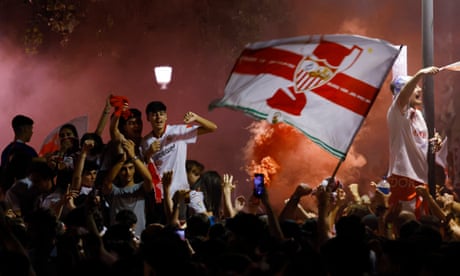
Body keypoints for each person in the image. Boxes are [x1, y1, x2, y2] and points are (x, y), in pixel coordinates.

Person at [387, 66, 442, 216]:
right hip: (403, 176)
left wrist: (435, 143)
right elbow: (404, 95)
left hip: (421, 178)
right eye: (414, 86)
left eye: (418, 86)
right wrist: (420, 73)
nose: (419, 90)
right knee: (406, 225)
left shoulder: (419, 116)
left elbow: (422, 144)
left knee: (422, 224)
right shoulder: (396, 112)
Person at [141, 101, 217, 204]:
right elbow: (144, 168)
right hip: (159, 195)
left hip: (180, 192)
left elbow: (212, 128)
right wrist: (149, 152)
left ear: (166, 116)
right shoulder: (146, 142)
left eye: (162, 114)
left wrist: (196, 118)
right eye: (154, 114)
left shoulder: (178, 131)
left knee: (181, 220)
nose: (159, 117)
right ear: (148, 118)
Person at [102, 139, 152, 237]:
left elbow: (148, 179)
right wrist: (122, 161)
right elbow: (107, 182)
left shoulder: (140, 188)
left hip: (138, 238)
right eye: (123, 170)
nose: (128, 173)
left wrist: (133, 156)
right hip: (118, 240)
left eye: (131, 168)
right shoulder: (114, 191)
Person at [0, 115, 39, 192]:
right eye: (30, 128)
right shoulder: (28, 151)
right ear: (24, 129)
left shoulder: (5, 151)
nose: (32, 132)